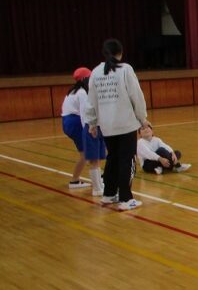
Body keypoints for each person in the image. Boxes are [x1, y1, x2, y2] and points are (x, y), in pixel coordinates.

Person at [84, 38, 149, 211]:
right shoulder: (125, 69)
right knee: (126, 160)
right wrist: (142, 119)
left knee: (112, 158)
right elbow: (136, 95)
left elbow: (91, 101)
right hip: (126, 123)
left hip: (107, 125)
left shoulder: (95, 72)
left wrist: (92, 122)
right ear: (120, 52)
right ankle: (126, 198)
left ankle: (109, 194)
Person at [61, 67, 105, 195]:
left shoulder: (73, 91)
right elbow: (84, 113)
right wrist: (88, 128)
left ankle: (76, 181)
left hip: (68, 121)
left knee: (86, 155)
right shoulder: (82, 93)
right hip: (75, 122)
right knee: (89, 154)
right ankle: (97, 182)